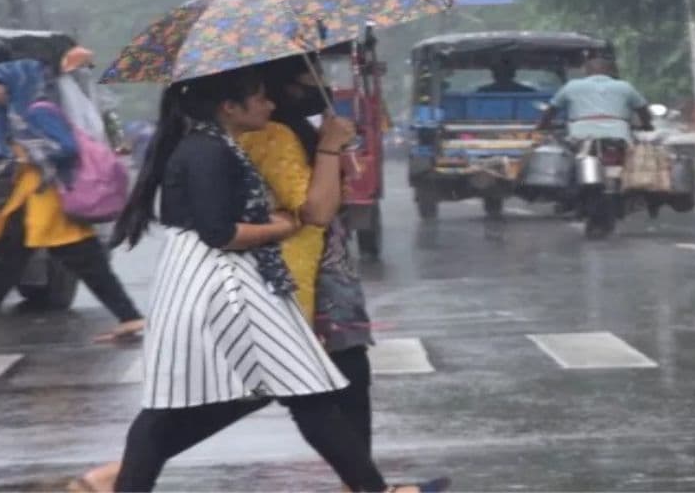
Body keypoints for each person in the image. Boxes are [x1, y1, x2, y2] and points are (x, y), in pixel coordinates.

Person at [99, 66, 445, 493]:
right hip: (223, 283)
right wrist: (280, 226)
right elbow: (220, 232)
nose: (270, 104)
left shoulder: (219, 145)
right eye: (260, 97)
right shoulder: (207, 151)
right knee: (281, 394)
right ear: (230, 107)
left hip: (226, 278)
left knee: (302, 394)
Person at [0, 59, 144, 346]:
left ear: (14, 85)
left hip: (46, 200)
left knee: (4, 262)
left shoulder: (37, 111)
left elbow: (66, 147)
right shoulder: (22, 112)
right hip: (37, 197)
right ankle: (129, 315)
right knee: (82, 263)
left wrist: (27, 155)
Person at [536, 56, 652, 141]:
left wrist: (542, 127)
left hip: (580, 135)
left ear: (586, 71)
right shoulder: (625, 86)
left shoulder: (571, 86)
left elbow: (551, 111)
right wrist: (647, 126)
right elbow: (642, 109)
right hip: (619, 134)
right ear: (610, 71)